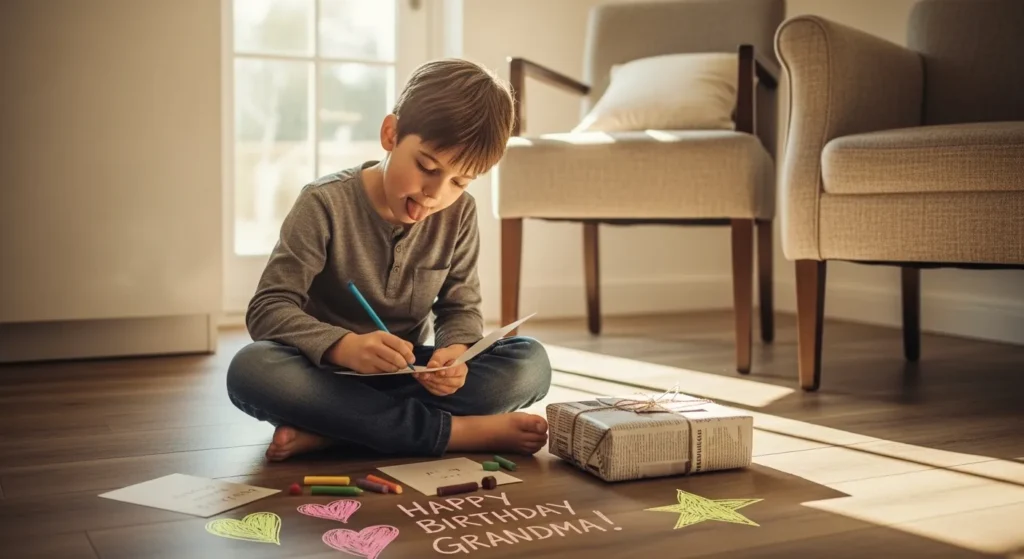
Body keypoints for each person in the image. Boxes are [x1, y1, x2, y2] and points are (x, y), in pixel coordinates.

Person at [226, 59, 552, 462]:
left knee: (530, 364)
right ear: (390, 134)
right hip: (324, 374)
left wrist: (455, 353)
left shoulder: (460, 213)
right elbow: (268, 308)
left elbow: (459, 307)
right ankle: (452, 433)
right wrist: (343, 347)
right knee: (251, 369)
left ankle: (336, 433)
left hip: (406, 374)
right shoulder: (323, 203)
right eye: (427, 167)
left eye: (459, 182)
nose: (436, 193)